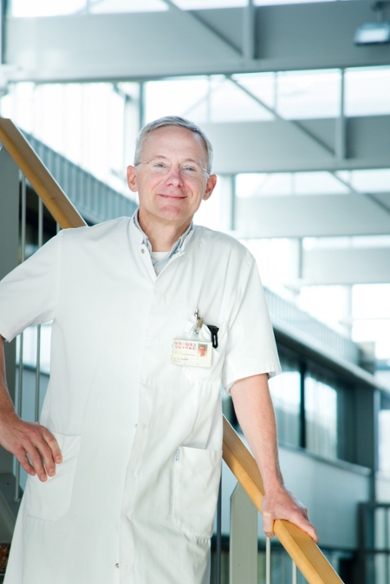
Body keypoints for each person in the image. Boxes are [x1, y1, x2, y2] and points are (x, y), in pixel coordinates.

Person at [0, 116, 317, 584]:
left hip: (168, 517)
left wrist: (274, 487)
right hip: (71, 506)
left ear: (208, 187)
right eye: (160, 164)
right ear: (133, 177)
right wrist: (4, 419)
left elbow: (248, 377)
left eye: (190, 169)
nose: (174, 179)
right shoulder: (75, 252)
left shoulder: (231, 264)